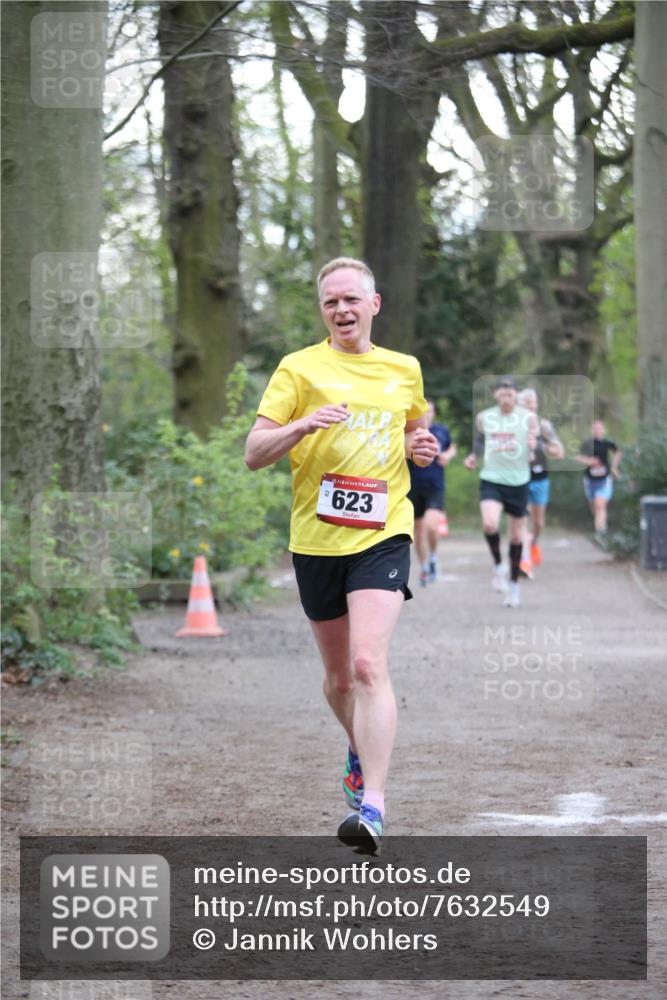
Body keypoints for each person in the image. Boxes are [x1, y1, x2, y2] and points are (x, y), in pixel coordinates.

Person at [244, 257, 438, 855]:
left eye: (352, 300)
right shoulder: (298, 368)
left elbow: (412, 428)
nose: (342, 311)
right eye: (331, 303)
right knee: (336, 680)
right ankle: (358, 744)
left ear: (374, 304)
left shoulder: (403, 369)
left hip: (383, 532)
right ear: (322, 310)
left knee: (366, 665)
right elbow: (254, 452)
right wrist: (301, 426)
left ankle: (372, 808)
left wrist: (420, 446)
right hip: (316, 540)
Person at [464, 377, 537, 608]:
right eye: (502, 393)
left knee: (516, 537)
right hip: (492, 479)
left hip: (519, 481)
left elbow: (538, 443)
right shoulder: (484, 417)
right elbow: (478, 440)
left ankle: (514, 586)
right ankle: (498, 566)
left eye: (510, 393)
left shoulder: (528, 417)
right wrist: (474, 456)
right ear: (495, 394)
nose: (506, 396)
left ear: (516, 395)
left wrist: (535, 446)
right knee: (490, 524)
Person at [407, 400, 457, 586]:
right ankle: (425, 568)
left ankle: (434, 557)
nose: (427, 414)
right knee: (418, 534)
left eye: (430, 411)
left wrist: (448, 456)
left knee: (431, 526)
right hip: (412, 488)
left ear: (434, 414)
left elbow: (452, 447)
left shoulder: (441, 431)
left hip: (435, 487)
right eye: (424, 412)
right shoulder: (410, 432)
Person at [516, 388, 565, 576]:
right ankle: (525, 560)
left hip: (540, 479)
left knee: (539, 524)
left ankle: (533, 542)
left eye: (532, 402)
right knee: (521, 520)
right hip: (520, 480)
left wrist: (541, 446)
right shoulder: (514, 425)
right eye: (525, 402)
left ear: (536, 405)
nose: (529, 405)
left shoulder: (544, 426)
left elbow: (559, 452)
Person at [575, 420, 621, 539]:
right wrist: (589, 461)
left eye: (600, 428)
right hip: (590, 481)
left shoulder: (607, 443)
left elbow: (618, 452)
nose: (597, 430)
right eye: (595, 428)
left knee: (600, 504)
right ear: (592, 430)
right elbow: (577, 457)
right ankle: (601, 526)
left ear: (603, 430)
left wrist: (614, 467)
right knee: (595, 507)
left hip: (604, 480)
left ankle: (600, 534)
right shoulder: (587, 444)